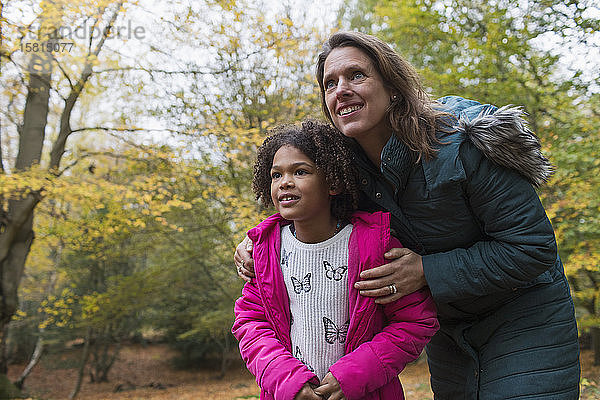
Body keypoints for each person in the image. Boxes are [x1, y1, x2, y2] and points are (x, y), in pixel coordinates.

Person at [235, 32, 581, 399]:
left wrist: (425, 270)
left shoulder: (463, 145)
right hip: (448, 331)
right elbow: (312, 215)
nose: (342, 90)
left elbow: (532, 247)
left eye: (356, 75)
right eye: (330, 83)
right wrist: (256, 240)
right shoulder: (344, 172)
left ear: (392, 86)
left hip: (523, 317)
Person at [232, 120, 439, 400]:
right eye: (276, 175)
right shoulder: (264, 252)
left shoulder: (374, 245)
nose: (285, 182)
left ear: (333, 182)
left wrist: (352, 376)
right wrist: (288, 381)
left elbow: (414, 322)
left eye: (300, 171)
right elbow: (251, 324)